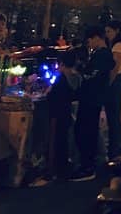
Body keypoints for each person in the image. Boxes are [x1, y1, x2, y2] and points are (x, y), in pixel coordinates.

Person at [69, 26, 115, 181]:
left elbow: (90, 74)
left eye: (89, 40)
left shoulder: (102, 55)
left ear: (97, 38)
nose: (89, 44)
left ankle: (87, 166)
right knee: (87, 130)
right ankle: (88, 164)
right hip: (93, 97)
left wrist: (78, 70)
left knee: (85, 131)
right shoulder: (102, 54)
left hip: (91, 98)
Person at [31, 48, 81, 186]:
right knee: (63, 141)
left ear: (62, 64)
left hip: (56, 115)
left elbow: (51, 97)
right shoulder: (76, 78)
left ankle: (52, 171)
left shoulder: (61, 80)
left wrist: (47, 92)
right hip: (66, 114)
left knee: (54, 142)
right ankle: (62, 168)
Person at [105, 20, 121, 157]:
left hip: (115, 81)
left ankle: (114, 148)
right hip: (119, 80)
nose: (107, 34)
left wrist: (107, 83)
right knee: (114, 115)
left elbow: (115, 67)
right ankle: (115, 146)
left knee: (113, 116)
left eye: (109, 31)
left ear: (117, 31)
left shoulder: (119, 46)